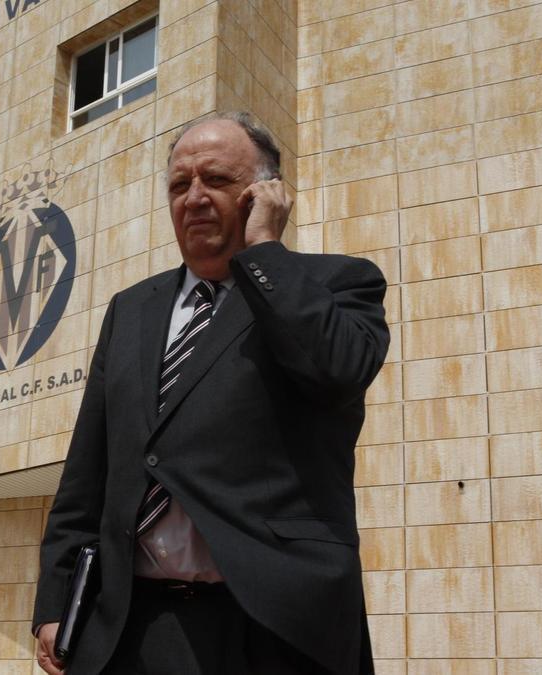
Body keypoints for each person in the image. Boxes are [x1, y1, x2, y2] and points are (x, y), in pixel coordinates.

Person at [31, 112, 389, 674]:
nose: (194, 197)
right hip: (132, 628)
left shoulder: (335, 283)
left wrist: (264, 251)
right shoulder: (132, 309)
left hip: (274, 628)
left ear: (265, 192)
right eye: (180, 184)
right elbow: (90, 467)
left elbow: (338, 371)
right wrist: (55, 600)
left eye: (217, 180)